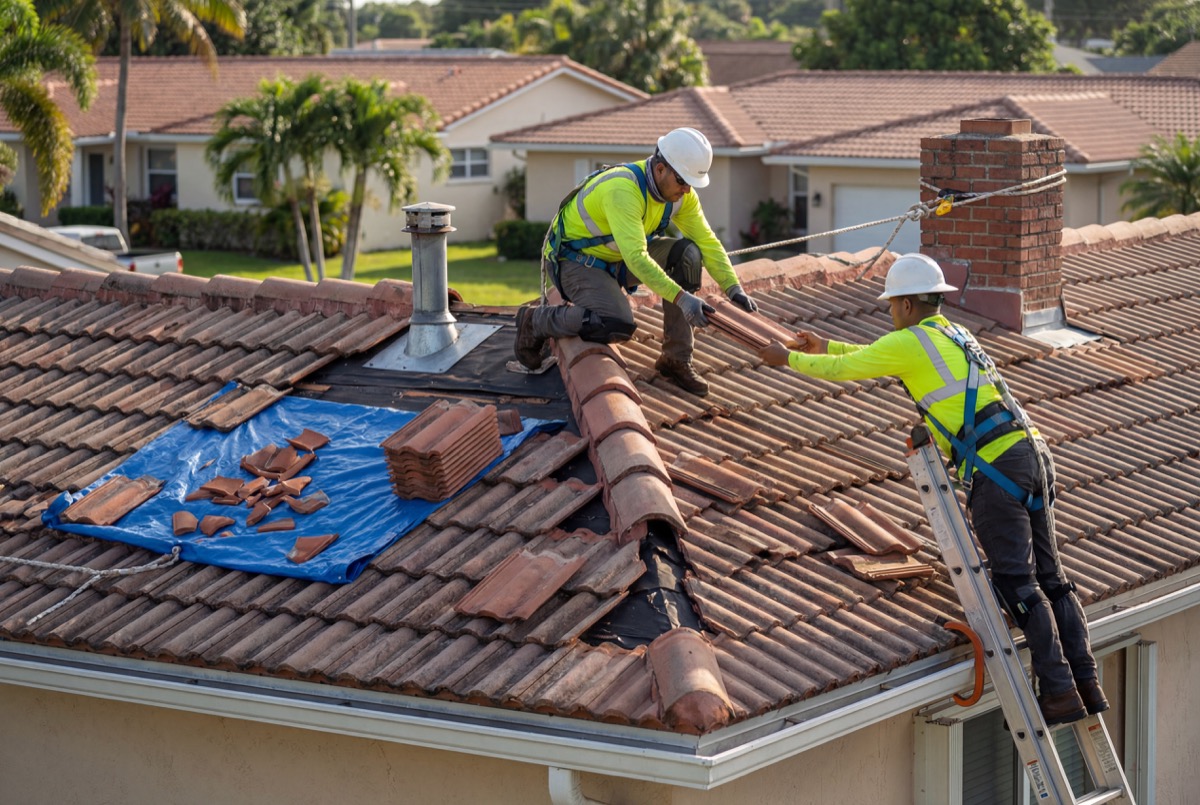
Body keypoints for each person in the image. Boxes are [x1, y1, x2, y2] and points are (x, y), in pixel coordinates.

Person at [757, 253, 1108, 726]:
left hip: (997, 470)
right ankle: (1084, 681)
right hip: (1033, 456)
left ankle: (1060, 690)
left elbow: (851, 369)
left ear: (903, 304)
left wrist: (792, 359)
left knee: (1017, 584)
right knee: (1052, 579)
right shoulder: (953, 334)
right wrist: (825, 344)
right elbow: (869, 357)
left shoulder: (910, 342)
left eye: (890, 305)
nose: (890, 313)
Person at [513, 127, 757, 397]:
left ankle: (676, 359)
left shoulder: (680, 196)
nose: (687, 190)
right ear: (661, 168)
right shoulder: (623, 190)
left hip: (617, 260)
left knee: (687, 255)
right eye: (682, 181)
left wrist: (734, 288)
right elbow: (637, 259)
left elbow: (707, 242)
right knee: (615, 323)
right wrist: (682, 298)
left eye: (691, 184)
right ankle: (536, 321)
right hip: (574, 263)